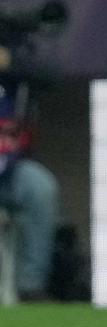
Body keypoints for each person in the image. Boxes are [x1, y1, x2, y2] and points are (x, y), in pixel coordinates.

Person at [0, 35, 60, 302]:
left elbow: (49, 73)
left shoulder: (11, 72)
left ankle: (30, 285)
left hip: (8, 172)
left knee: (40, 187)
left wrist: (9, 61)